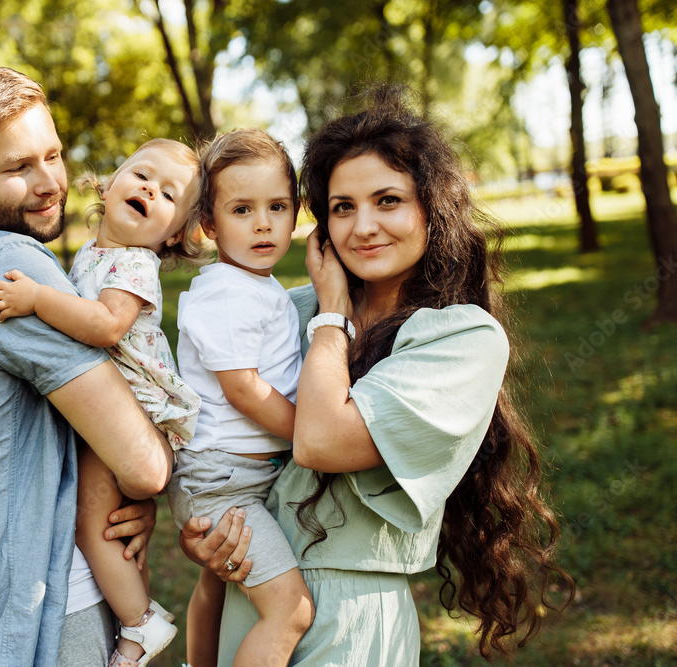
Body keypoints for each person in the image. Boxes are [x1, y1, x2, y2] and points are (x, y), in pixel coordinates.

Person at [180, 86, 573, 666]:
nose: (363, 227)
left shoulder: (462, 338)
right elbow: (200, 404)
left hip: (349, 620)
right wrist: (200, 526)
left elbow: (319, 440)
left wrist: (333, 314)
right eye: (342, 207)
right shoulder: (291, 309)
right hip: (254, 584)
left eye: (387, 200)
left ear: (430, 208)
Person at [0, 66, 173, 667]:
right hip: (46, 604)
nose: (49, 184)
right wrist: (144, 486)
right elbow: (144, 465)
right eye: (18, 168)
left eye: (54, 155)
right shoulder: (8, 265)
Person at [0, 137, 204, 666]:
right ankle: (135, 618)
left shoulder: (134, 264)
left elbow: (105, 326)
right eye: (142, 175)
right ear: (108, 182)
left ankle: (141, 623)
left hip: (135, 408)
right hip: (111, 406)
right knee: (112, 524)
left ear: (174, 235)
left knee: (92, 522)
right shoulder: (94, 253)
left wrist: (36, 299)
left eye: (169, 195)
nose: (150, 189)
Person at [166, 129, 315, 667]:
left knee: (214, 588)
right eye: (242, 209)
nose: (263, 224)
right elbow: (245, 390)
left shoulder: (257, 286)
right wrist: (312, 432)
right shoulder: (227, 293)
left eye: (278, 206)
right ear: (209, 223)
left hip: (232, 475)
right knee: (290, 611)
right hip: (224, 482)